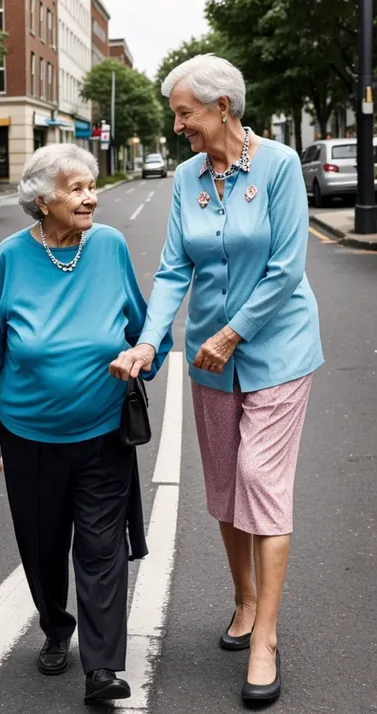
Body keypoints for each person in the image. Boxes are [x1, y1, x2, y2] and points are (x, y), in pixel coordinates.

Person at [109, 55, 323, 704]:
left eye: (185, 113)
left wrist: (233, 333)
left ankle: (266, 637)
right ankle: (244, 598)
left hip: (278, 348)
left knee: (261, 479)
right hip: (208, 360)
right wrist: (149, 343)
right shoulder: (186, 177)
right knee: (228, 486)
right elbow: (175, 269)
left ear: (223, 107)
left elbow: (285, 267)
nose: (178, 126)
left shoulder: (280, 165)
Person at [0, 144, 171, 704]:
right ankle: (56, 627)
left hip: (104, 430)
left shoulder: (108, 246)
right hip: (30, 434)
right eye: (77, 189)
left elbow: (146, 327)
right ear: (41, 201)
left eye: (92, 186)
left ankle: (102, 667)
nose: (91, 197)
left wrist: (144, 351)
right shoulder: (11, 256)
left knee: (101, 546)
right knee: (41, 543)